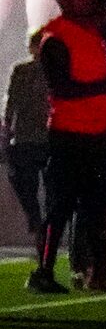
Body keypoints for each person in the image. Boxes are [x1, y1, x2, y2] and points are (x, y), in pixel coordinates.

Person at [27, 0, 106, 293]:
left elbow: (99, 81)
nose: (86, 0)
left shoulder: (93, 36)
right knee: (60, 205)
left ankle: (97, 271)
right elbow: (64, 88)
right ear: (64, 2)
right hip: (69, 133)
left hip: (99, 131)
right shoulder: (56, 38)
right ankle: (43, 272)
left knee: (97, 205)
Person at [5, 35, 48, 253]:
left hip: (34, 138)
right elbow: (12, 104)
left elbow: (11, 105)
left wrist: (7, 130)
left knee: (27, 185)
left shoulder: (23, 71)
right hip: (36, 138)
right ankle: (40, 224)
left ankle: (38, 223)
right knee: (31, 186)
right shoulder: (25, 71)